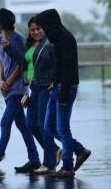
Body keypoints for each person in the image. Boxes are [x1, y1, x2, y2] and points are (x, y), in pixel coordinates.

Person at [0, 8, 41, 173]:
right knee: (22, 125)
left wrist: (9, 81)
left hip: (19, 90)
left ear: (1, 23)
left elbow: (22, 65)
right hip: (7, 88)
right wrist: (1, 81)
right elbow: (0, 60)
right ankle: (34, 159)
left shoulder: (19, 39)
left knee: (5, 122)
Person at [2, 17, 63, 174]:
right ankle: (55, 150)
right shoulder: (31, 44)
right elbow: (23, 62)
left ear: (44, 29)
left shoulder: (49, 44)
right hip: (33, 88)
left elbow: (58, 63)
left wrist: (55, 80)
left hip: (45, 88)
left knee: (44, 126)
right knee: (31, 125)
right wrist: (8, 48)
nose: (36, 32)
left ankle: (49, 163)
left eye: (38, 29)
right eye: (32, 30)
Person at [35, 9, 91, 178]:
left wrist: (63, 95)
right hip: (58, 86)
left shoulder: (66, 39)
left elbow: (68, 68)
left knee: (62, 128)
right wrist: (53, 81)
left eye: (43, 26)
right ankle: (80, 150)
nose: (42, 30)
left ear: (51, 24)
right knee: (48, 127)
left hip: (66, 88)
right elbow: (58, 65)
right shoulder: (56, 39)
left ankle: (67, 166)